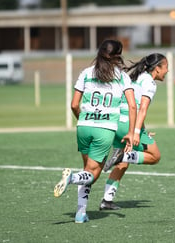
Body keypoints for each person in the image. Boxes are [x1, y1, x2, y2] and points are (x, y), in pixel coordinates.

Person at [53, 39, 137, 223]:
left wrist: (84, 120)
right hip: (104, 130)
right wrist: (131, 132)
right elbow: (132, 106)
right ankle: (72, 178)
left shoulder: (86, 73)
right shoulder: (122, 76)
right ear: (118, 56)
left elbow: (74, 105)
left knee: (87, 170)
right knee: (91, 174)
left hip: (83, 126)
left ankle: (80, 213)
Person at [99, 53, 168, 210]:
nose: (167, 71)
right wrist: (136, 132)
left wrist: (142, 129)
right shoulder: (150, 83)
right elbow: (141, 108)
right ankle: (124, 155)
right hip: (129, 124)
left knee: (122, 164)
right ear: (157, 69)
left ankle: (106, 200)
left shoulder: (136, 77)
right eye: (166, 67)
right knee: (155, 156)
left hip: (117, 123)